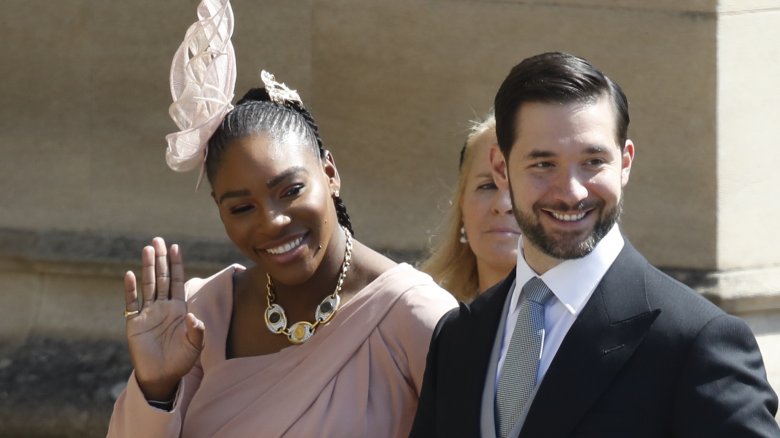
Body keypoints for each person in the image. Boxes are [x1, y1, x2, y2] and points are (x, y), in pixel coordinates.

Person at [107, 2, 456, 437]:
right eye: (241, 208)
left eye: (290, 191)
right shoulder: (202, 316)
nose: (271, 221)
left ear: (329, 174)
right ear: (219, 208)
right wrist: (155, 389)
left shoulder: (416, 316)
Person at [410, 52, 779, 437]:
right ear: (502, 169)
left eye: (593, 161)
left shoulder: (694, 341)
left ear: (625, 163)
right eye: (543, 164)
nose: (571, 192)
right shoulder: (459, 335)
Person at [421, 113, 520, 302]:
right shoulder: (423, 319)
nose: (503, 205)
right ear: (462, 206)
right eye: (487, 186)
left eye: (520, 187)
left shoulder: (588, 321)